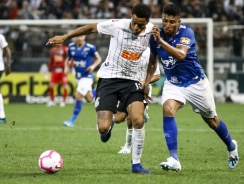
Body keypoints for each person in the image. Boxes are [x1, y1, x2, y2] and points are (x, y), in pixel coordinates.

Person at [47, 4, 153, 174]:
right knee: (103, 128)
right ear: (131, 17)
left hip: (132, 81)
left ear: (147, 22)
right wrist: (66, 36)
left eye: (141, 25)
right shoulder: (117, 25)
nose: (136, 27)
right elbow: (90, 28)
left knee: (138, 120)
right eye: (134, 22)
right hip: (109, 78)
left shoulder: (152, 32)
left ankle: (136, 164)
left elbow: (156, 56)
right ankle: (109, 123)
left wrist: (146, 82)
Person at [144, 3, 239, 172]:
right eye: (165, 21)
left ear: (178, 22)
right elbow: (152, 62)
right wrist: (145, 83)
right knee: (167, 109)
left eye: (172, 22)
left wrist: (160, 41)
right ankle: (174, 158)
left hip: (195, 83)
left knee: (212, 120)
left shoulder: (186, 32)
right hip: (173, 82)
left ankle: (231, 145)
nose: (168, 25)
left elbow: (181, 55)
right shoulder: (155, 36)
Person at [115, 47, 161, 154]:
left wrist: (145, 82)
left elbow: (157, 75)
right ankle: (142, 113)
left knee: (131, 119)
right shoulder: (127, 49)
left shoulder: (151, 52)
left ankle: (127, 145)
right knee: (118, 119)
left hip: (141, 90)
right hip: (127, 88)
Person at [63, 35, 102, 127]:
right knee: (89, 98)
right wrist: (66, 67)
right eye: (77, 36)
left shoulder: (90, 48)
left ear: (84, 36)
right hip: (78, 77)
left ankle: (72, 120)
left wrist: (92, 66)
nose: (79, 38)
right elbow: (68, 59)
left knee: (78, 96)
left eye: (81, 36)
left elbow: (99, 59)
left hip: (87, 76)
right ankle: (101, 90)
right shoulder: (71, 46)